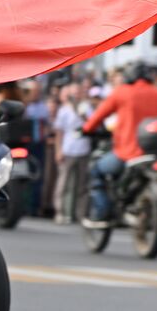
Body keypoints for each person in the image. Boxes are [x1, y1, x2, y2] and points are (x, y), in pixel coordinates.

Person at [81, 63, 157, 226]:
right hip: (154, 154)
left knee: (96, 170)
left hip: (128, 152)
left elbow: (99, 115)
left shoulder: (122, 92)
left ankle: (101, 213)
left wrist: (86, 129)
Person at [52, 84, 91, 224]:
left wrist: (84, 115)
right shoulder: (64, 110)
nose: (76, 95)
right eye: (74, 93)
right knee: (63, 183)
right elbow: (59, 132)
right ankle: (60, 211)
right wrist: (58, 150)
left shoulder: (87, 108)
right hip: (68, 149)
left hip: (83, 149)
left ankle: (81, 214)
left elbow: (92, 124)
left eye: (78, 93)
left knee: (82, 185)